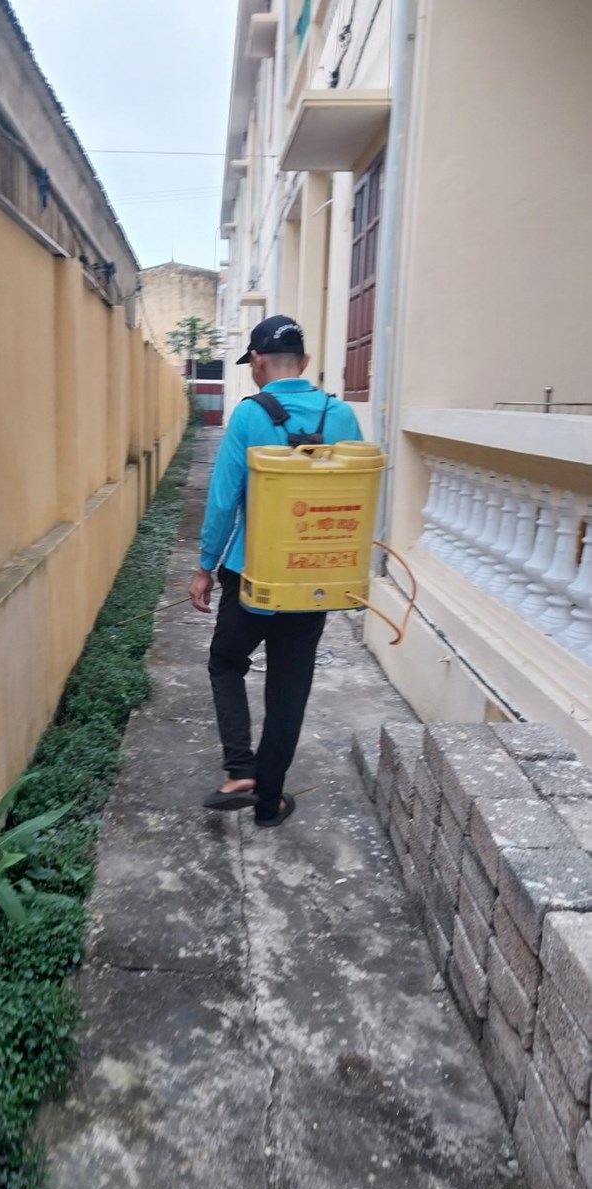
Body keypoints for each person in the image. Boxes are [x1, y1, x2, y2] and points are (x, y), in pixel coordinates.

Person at [189, 315, 363, 827]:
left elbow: (224, 499)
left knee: (226, 663)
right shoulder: (342, 416)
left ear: (257, 361)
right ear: (304, 362)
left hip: (251, 577)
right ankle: (268, 805)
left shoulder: (248, 415)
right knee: (289, 690)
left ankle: (240, 770)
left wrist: (205, 567)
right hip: (312, 580)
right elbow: (357, 498)